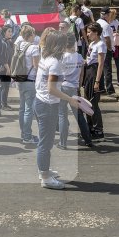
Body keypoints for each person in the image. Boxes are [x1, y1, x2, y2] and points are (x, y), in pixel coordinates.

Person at [34, 29, 80, 190]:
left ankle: (44, 171)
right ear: (58, 45)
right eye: (63, 44)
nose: (66, 46)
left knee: (45, 142)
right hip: (47, 105)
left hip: (41, 102)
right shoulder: (53, 62)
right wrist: (70, 99)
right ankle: (45, 178)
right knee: (45, 144)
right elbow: (52, 89)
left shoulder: (46, 56)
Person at [59, 32, 93, 149]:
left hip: (63, 87)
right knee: (79, 115)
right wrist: (78, 86)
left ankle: (63, 143)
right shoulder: (79, 57)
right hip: (74, 87)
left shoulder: (62, 56)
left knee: (62, 115)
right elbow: (82, 75)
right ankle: (88, 140)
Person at [15, 25, 40, 144]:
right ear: (31, 35)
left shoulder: (19, 45)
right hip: (30, 80)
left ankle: (23, 133)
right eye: (33, 34)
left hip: (20, 79)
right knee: (28, 109)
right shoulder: (34, 48)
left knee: (22, 108)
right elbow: (36, 66)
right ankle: (27, 136)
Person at [83, 23, 106, 140]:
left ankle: (98, 129)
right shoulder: (92, 44)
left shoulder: (101, 44)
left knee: (93, 103)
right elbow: (88, 59)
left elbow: (101, 63)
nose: (87, 34)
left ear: (96, 32)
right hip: (88, 72)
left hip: (95, 72)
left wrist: (97, 81)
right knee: (87, 103)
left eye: (89, 32)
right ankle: (90, 127)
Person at [96, 7, 115, 94]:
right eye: (109, 14)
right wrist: (110, 48)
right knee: (107, 70)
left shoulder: (97, 22)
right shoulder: (105, 25)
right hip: (105, 50)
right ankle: (109, 88)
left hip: (99, 48)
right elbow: (107, 39)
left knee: (101, 68)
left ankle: (101, 87)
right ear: (107, 15)